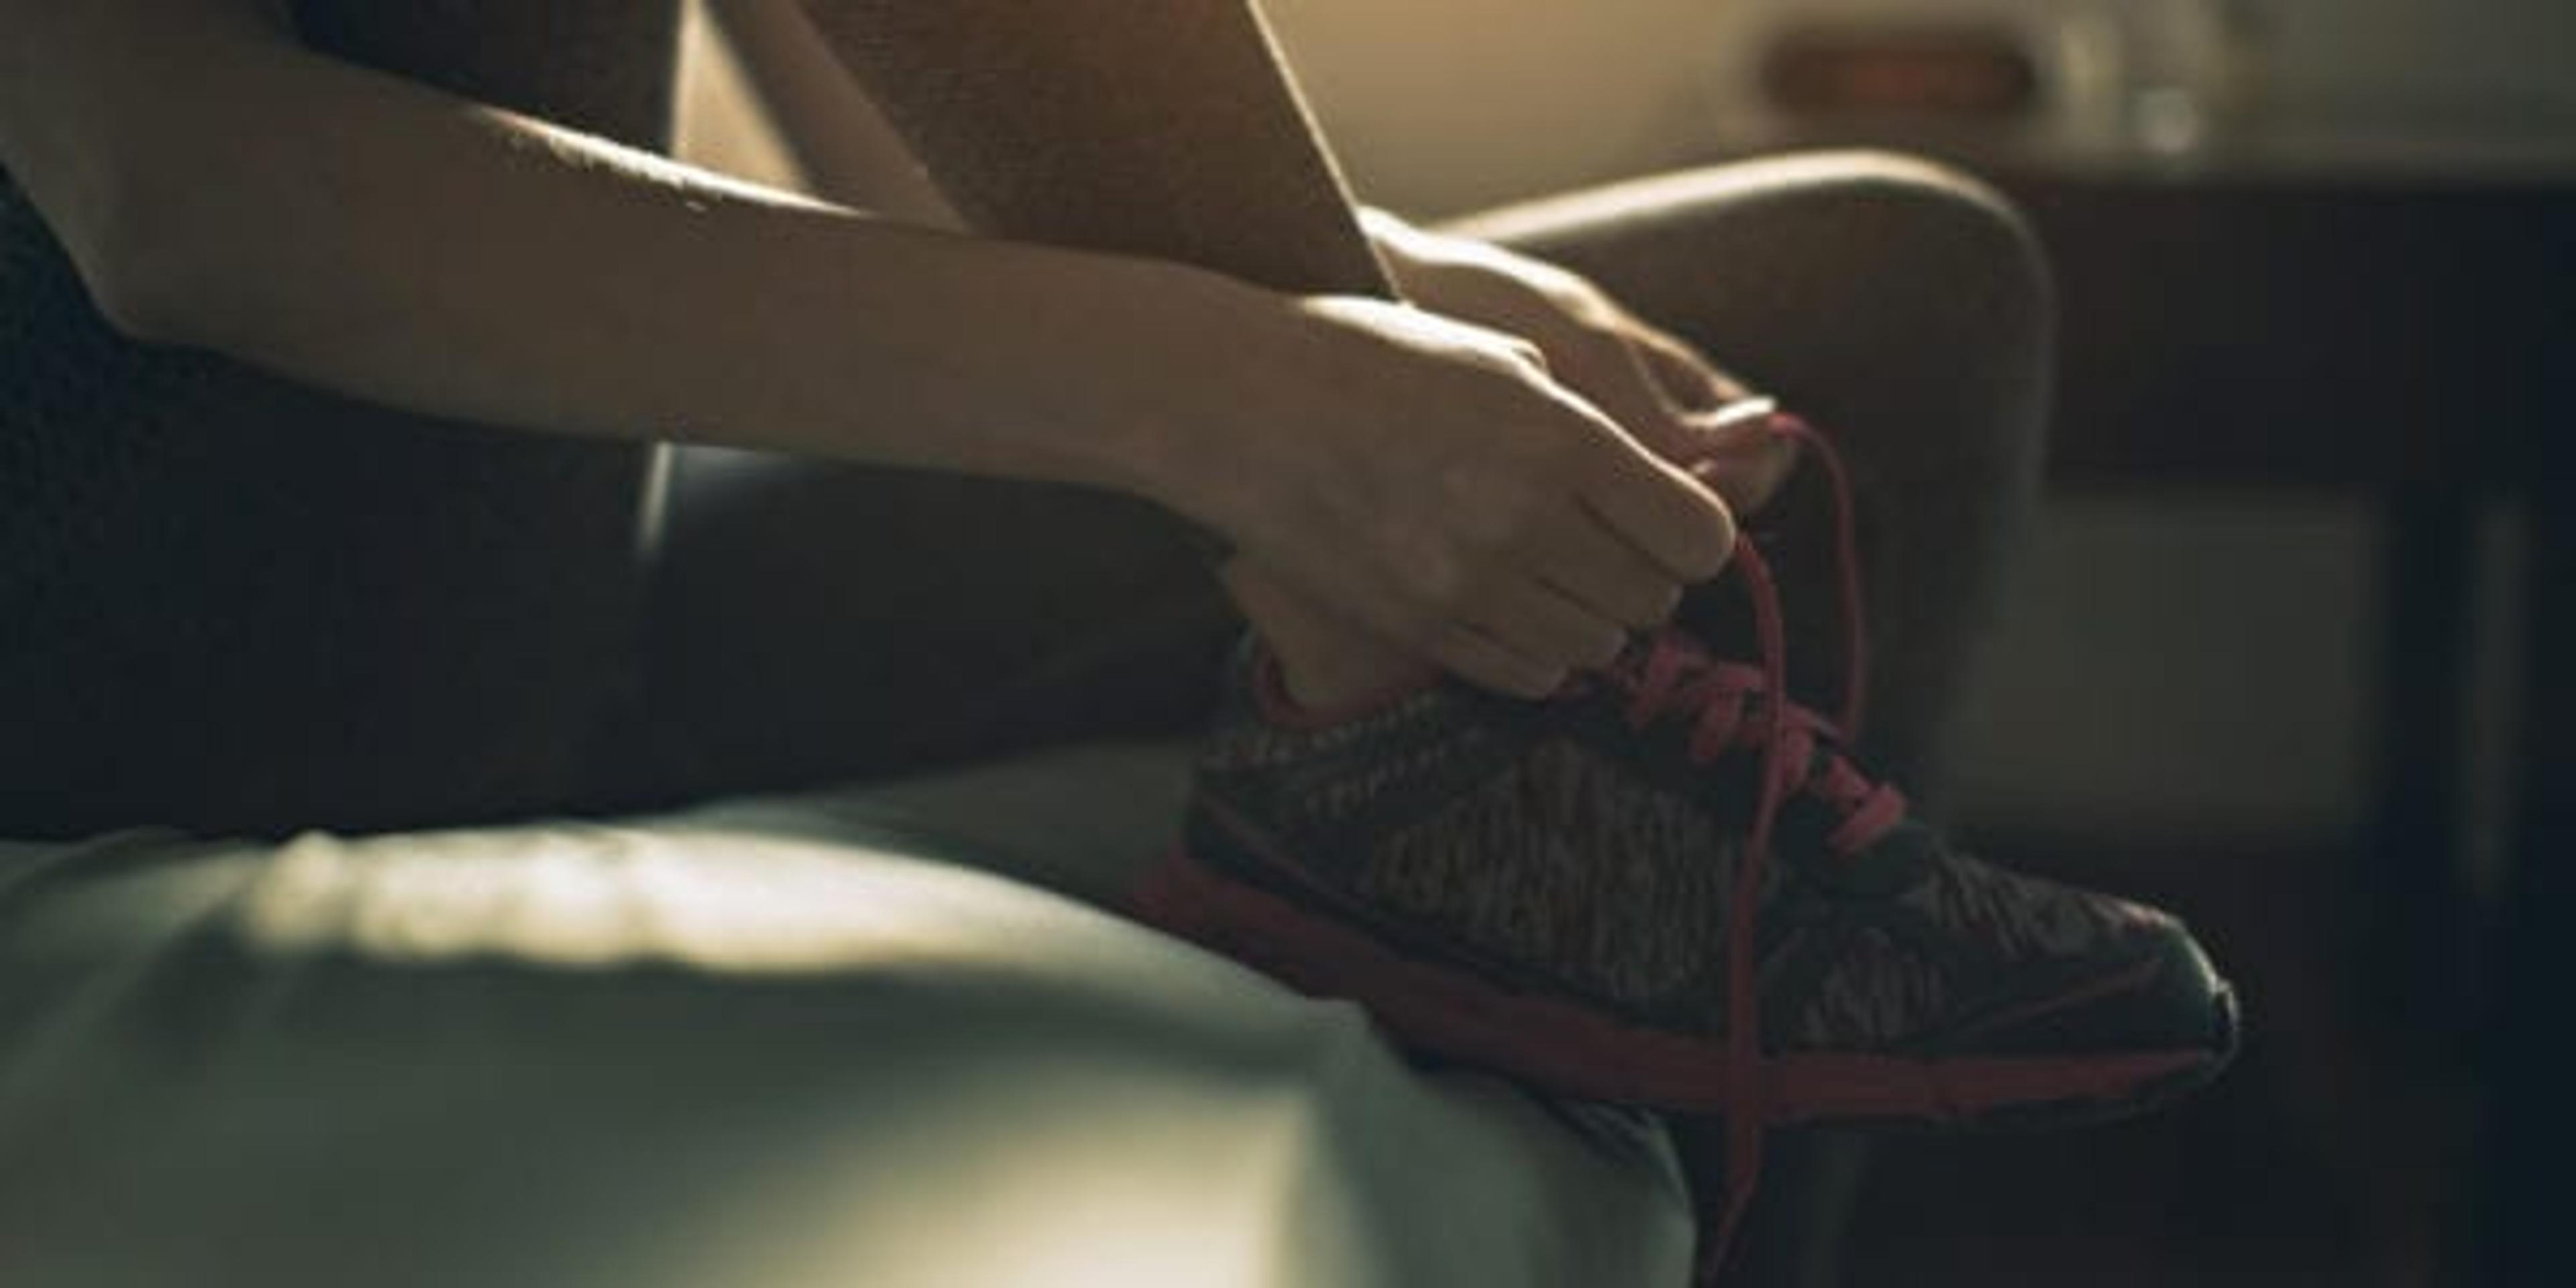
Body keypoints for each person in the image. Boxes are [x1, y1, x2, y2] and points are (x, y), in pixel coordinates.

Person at [0, 1, 2232, 1281]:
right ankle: (1471, 767)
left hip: (583, 557)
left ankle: (1511, 819)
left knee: (1900, 304)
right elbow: (168, 192)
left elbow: (923, 129)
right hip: (146, 639)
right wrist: (1244, 406)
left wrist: (1373, 299)